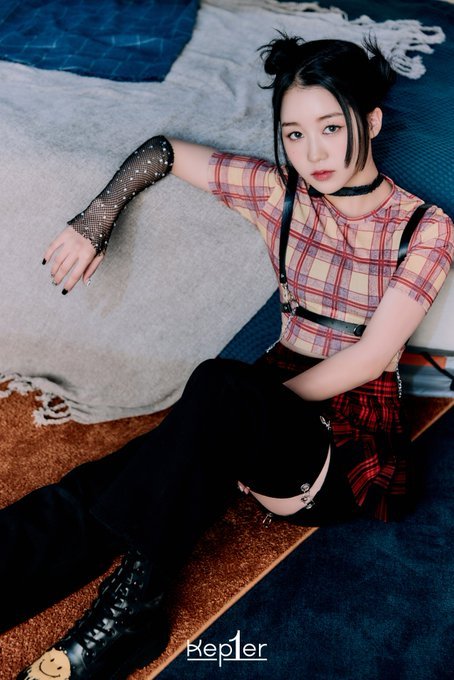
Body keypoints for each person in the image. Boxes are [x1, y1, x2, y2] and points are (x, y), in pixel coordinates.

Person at [3, 35, 452, 680]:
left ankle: (132, 613)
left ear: (372, 122)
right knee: (107, 484)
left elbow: (370, 357)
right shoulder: (279, 194)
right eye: (294, 134)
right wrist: (95, 219)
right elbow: (164, 151)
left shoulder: (425, 226)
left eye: (331, 127)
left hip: (345, 446)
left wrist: (222, 428)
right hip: (250, 407)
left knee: (213, 397)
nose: (313, 152)